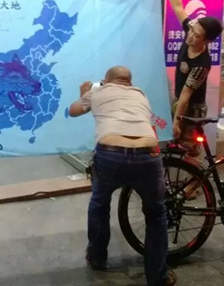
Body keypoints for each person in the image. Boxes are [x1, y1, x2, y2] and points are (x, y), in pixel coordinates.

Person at [69, 66, 176, 286]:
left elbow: (73, 111)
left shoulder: (97, 92)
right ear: (129, 82)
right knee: (156, 214)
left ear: (106, 80)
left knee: (99, 204)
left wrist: (83, 95)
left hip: (111, 155)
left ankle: (97, 257)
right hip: (147, 156)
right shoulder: (140, 94)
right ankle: (158, 276)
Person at [161, 0, 223, 157]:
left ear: (207, 41)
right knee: (175, 146)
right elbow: (177, 5)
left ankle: (195, 176)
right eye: (192, 30)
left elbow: (187, 94)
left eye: (196, 35)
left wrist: (177, 121)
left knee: (189, 151)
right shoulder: (191, 31)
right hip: (180, 101)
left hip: (192, 109)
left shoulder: (202, 63)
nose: (190, 36)